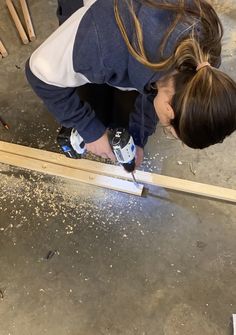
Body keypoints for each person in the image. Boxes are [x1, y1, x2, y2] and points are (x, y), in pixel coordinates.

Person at [25, 0, 236, 167]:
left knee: (118, 106)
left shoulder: (205, 57)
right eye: (169, 129)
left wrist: (138, 137)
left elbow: (162, 88)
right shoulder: (101, 45)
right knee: (91, 98)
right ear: (169, 111)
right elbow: (38, 73)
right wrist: (90, 131)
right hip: (99, 20)